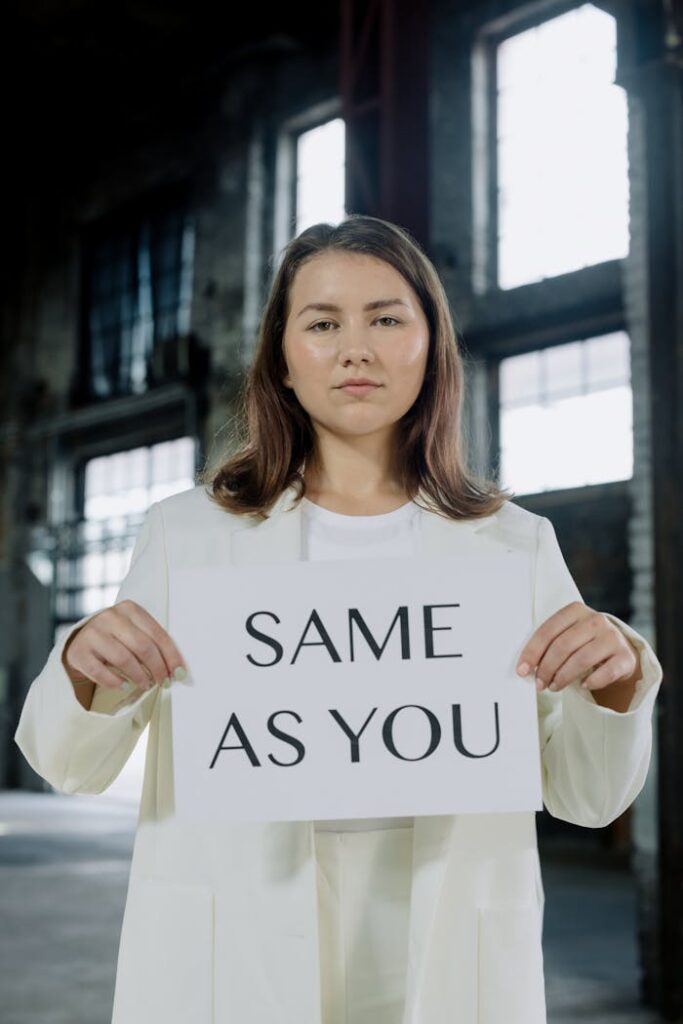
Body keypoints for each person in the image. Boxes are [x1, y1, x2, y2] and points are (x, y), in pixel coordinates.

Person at [15, 215, 662, 1024]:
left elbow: (588, 796)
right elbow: (66, 764)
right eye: (322, 323)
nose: (355, 349)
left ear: (431, 347)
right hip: (237, 946)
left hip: (443, 953)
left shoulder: (513, 544)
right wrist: (81, 664)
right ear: (282, 359)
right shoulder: (188, 536)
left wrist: (613, 684)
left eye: (387, 319)